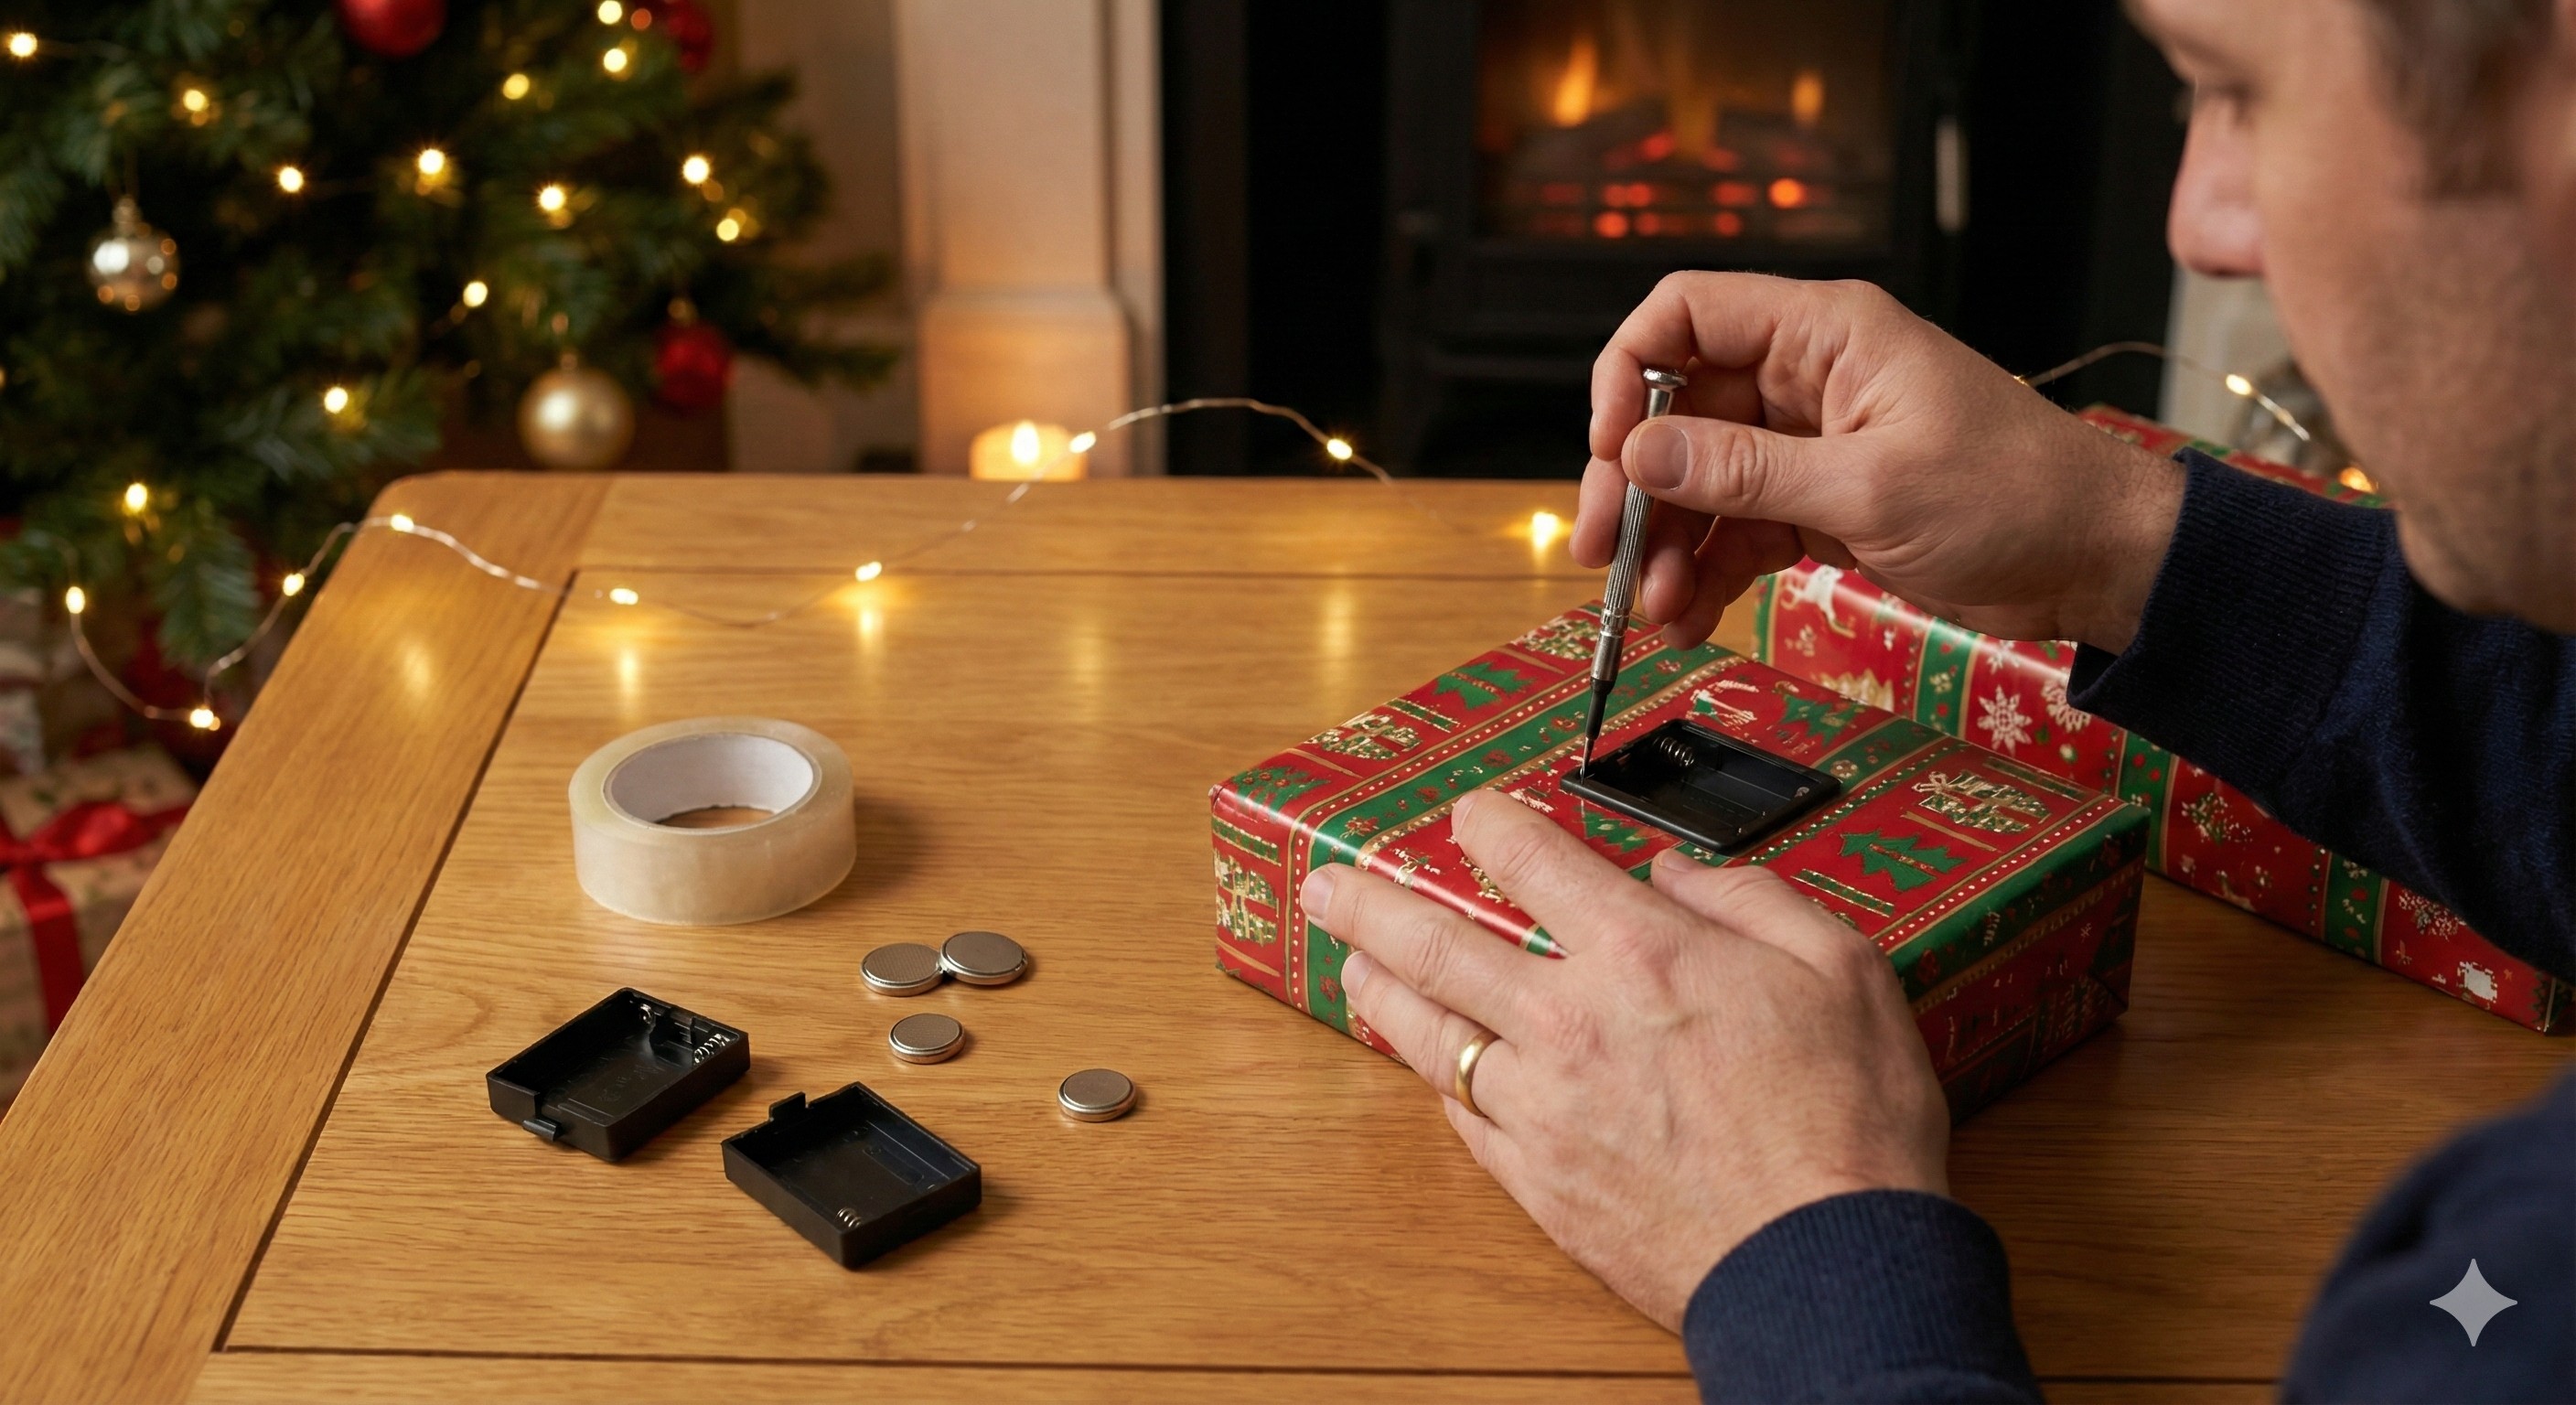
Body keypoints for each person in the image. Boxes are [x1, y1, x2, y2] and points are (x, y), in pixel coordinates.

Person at [1299, 0, 2576, 1399]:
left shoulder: (2499, 1308)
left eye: (2240, 92)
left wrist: (1809, 1238)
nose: (2202, 226)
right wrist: (2112, 536)